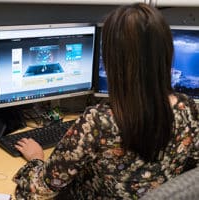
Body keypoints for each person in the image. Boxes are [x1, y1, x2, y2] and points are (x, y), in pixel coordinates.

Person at [13, 3, 199, 199]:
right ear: (165, 52)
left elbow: (38, 190)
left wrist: (35, 158)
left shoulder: (98, 122)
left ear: (113, 59)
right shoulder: (186, 108)